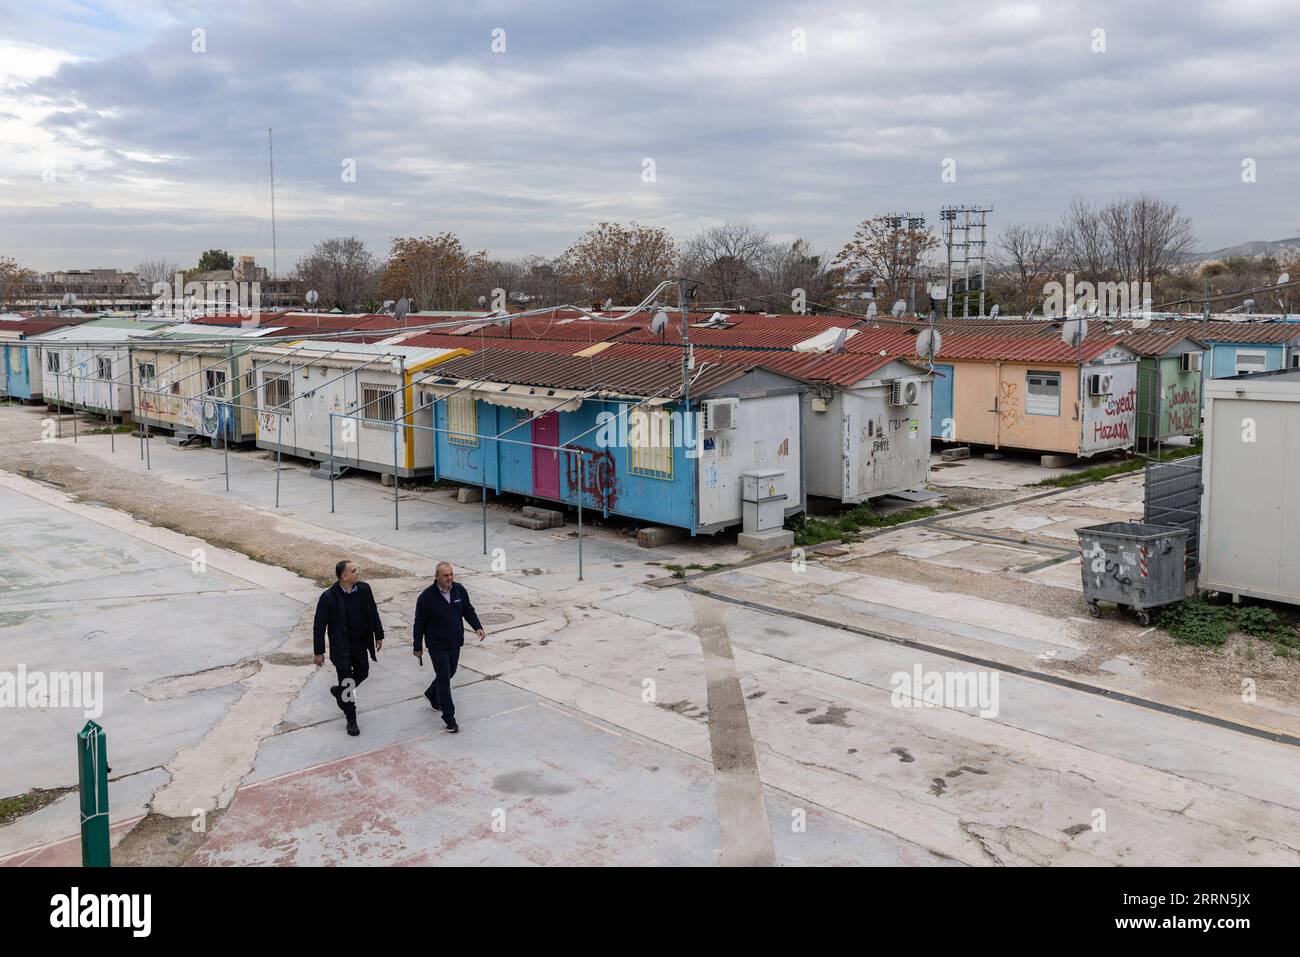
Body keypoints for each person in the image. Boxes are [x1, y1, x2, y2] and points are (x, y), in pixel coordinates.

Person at [313, 560, 384, 736]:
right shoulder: (329, 597)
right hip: (341, 648)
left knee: (363, 672)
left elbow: (373, 611)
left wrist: (379, 634)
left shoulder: (364, 589)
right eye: (353, 571)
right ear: (344, 576)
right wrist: (318, 652)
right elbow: (319, 626)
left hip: (360, 643)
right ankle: (351, 718)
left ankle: (340, 692)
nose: (357, 573)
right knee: (347, 681)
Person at [412, 562, 484, 733]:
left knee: (450, 672)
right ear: (436, 576)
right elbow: (419, 623)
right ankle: (449, 718)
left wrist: (477, 626)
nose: (450, 578)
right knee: (444, 679)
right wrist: (417, 646)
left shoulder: (459, 590)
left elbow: (468, 610)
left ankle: (431, 693)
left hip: (455, 641)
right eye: (446, 575)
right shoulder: (426, 598)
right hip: (437, 645)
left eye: (451, 574)